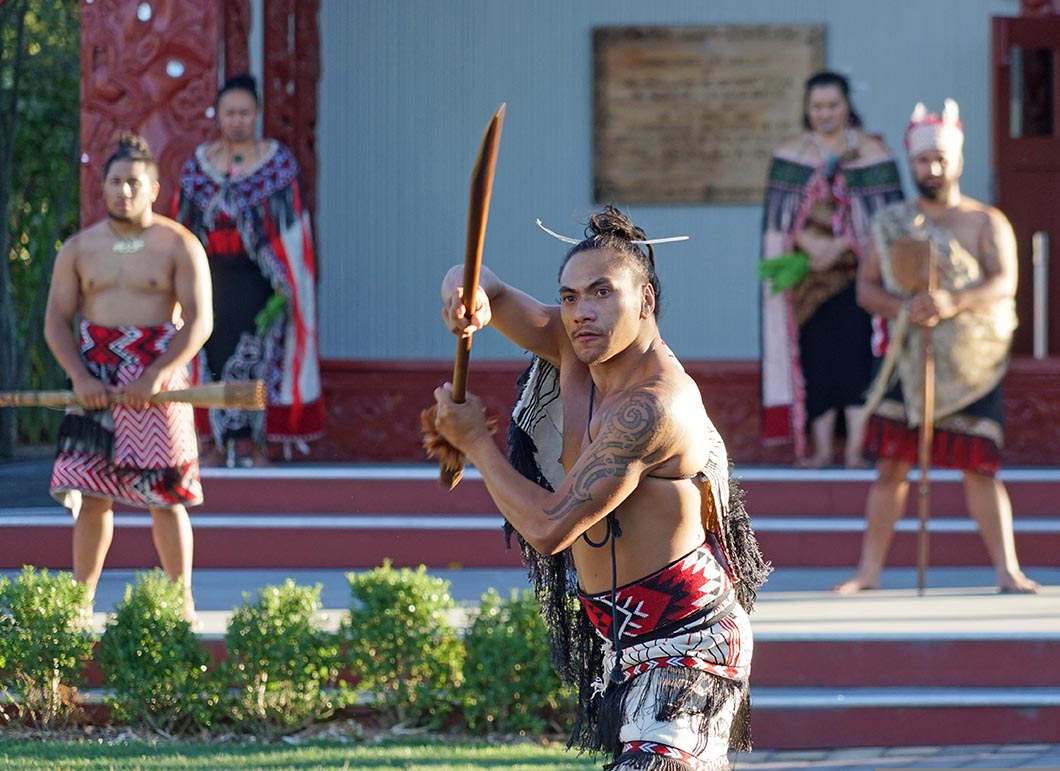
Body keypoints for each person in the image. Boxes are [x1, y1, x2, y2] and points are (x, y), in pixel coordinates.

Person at [427, 207, 770, 770]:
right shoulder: (575, 349)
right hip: (622, 642)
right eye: (568, 297)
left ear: (646, 301)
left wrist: (477, 445)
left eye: (601, 293)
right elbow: (479, 279)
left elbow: (547, 529)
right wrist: (467, 295)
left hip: (690, 643)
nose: (581, 312)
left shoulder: (653, 406)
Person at [834, 99, 1040, 595]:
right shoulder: (892, 222)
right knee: (892, 467)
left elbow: (1004, 283)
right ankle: (869, 572)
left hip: (971, 363)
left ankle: (1007, 571)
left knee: (980, 467)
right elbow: (867, 290)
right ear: (912, 163)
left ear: (958, 161)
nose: (934, 168)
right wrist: (907, 308)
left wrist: (951, 301)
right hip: (909, 357)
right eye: (925, 160)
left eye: (942, 158)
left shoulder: (986, 221)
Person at [45, 134, 213, 622]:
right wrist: (79, 375)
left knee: (167, 496)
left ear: (154, 188)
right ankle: (80, 604)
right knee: (92, 494)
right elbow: (57, 319)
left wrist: (156, 375)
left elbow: (200, 321)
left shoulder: (180, 243)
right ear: (103, 187)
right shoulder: (79, 248)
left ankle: (181, 603)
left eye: (133, 182)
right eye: (115, 182)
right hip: (94, 377)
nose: (124, 191)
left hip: (159, 381)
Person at [173, 72, 324, 468]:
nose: (237, 120)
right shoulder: (198, 168)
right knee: (211, 356)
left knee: (258, 359)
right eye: (230, 113)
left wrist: (284, 288)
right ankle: (213, 441)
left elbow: (294, 234)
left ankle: (256, 442)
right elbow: (182, 230)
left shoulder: (278, 165)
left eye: (244, 112)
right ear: (218, 116)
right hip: (212, 281)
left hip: (261, 283)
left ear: (256, 114)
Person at [760, 71, 904, 468]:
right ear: (807, 110)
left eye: (833, 105)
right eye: (817, 106)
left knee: (858, 360)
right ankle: (821, 450)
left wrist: (842, 243)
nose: (825, 113)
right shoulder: (791, 154)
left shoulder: (873, 152)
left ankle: (857, 450)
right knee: (816, 361)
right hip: (806, 280)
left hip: (860, 278)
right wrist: (809, 243)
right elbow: (778, 222)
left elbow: (888, 219)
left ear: (847, 106)